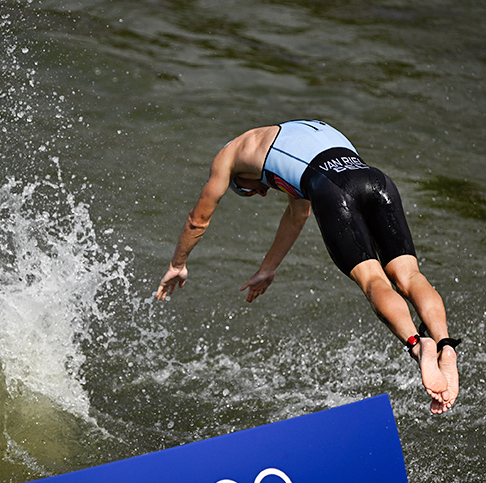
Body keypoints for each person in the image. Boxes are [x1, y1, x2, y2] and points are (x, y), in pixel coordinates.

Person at [155, 120, 460, 414]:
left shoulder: (229, 155)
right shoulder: (299, 133)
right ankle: (445, 344)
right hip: (378, 181)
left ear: (237, 178)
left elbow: (198, 219)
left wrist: (177, 263)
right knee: (409, 275)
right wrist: (268, 268)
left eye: (247, 190)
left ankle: (418, 346)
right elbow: (297, 215)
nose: (261, 192)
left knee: (373, 280)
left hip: (334, 191)